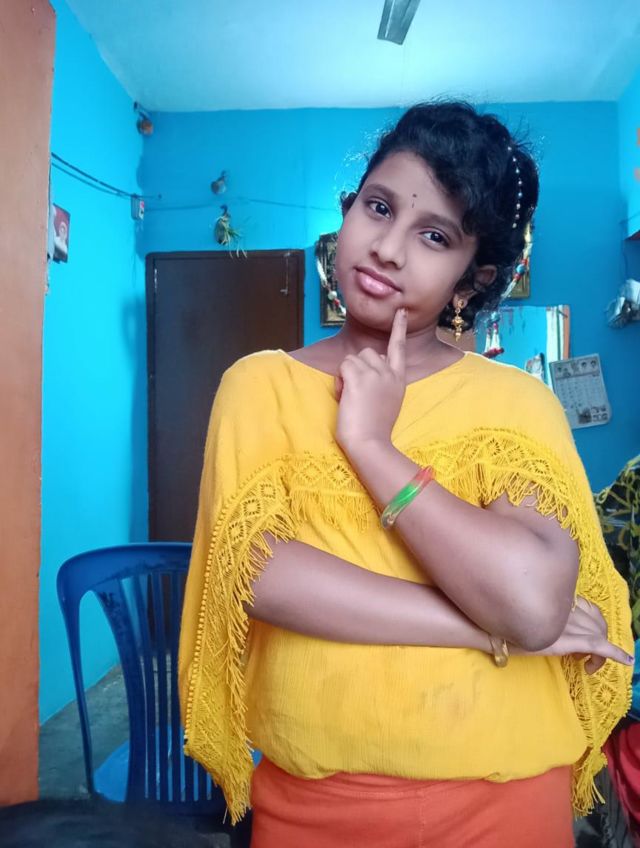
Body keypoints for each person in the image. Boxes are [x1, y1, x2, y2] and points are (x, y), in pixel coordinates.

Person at [178, 101, 633, 848]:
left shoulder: (516, 402)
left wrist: (373, 447)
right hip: (313, 805)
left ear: (472, 279)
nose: (388, 248)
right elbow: (259, 575)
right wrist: (484, 625)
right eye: (380, 207)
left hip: (508, 801)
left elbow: (529, 600)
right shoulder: (259, 386)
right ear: (347, 210)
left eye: (434, 236)